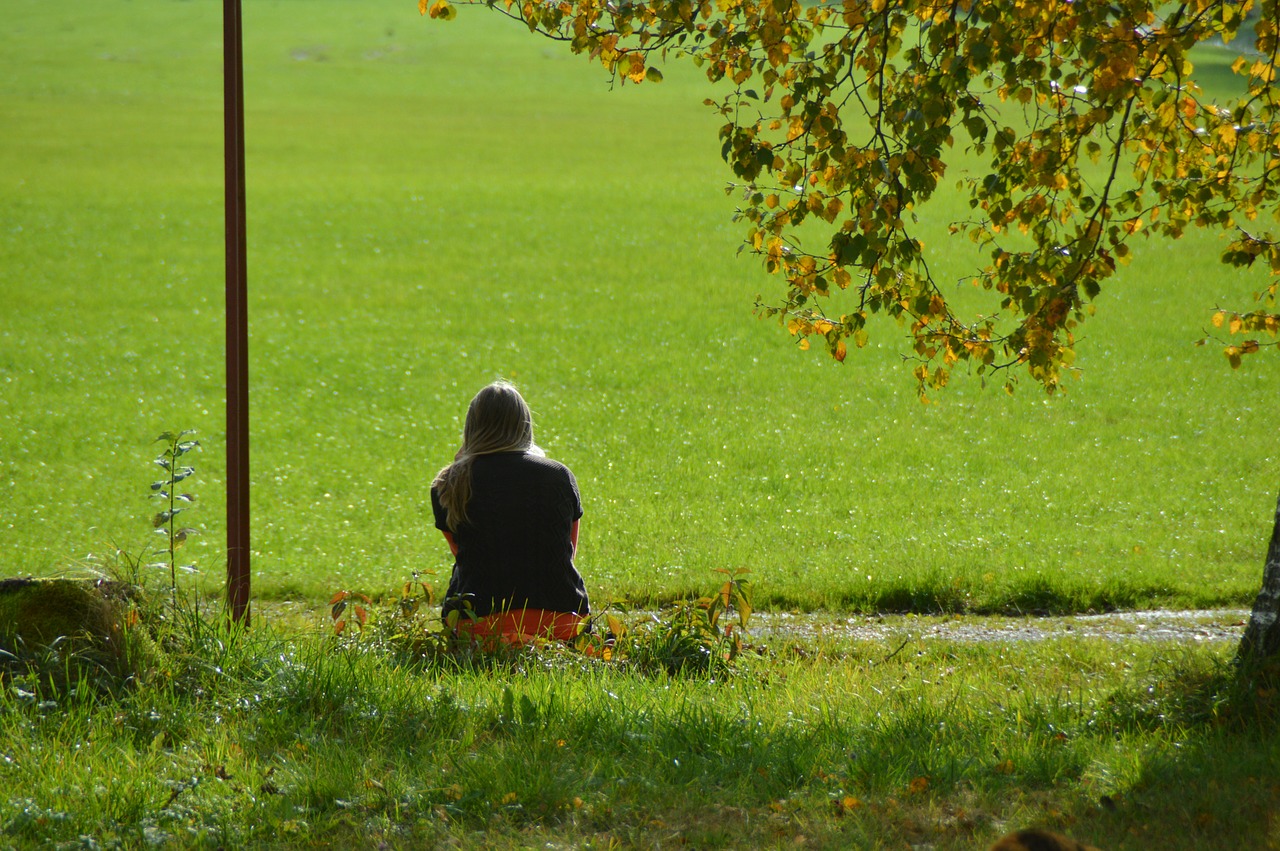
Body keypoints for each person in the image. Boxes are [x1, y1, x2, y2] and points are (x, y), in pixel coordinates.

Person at [430, 380, 589, 643]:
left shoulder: (449, 483)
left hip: (478, 627)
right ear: (524, 425)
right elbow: (569, 552)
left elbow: (464, 557)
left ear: (471, 427)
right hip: (562, 622)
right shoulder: (558, 475)